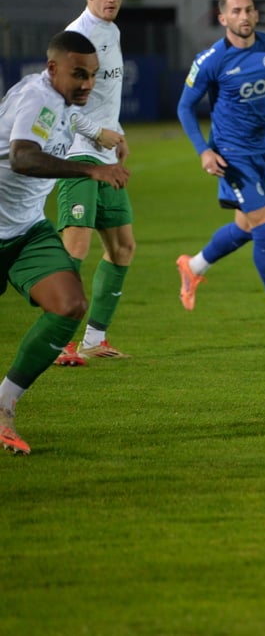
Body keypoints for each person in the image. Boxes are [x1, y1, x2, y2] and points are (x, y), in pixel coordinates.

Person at [0, 31, 130, 454]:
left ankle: (4, 405)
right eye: (79, 74)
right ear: (53, 68)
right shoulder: (36, 98)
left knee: (70, 306)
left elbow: (71, 121)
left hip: (25, 231)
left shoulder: (60, 101)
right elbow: (22, 156)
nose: (88, 84)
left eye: (92, 75)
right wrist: (90, 171)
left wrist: (101, 135)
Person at [176, 0, 265, 327]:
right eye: (236, 11)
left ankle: (192, 267)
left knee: (244, 228)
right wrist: (204, 151)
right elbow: (185, 107)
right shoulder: (211, 60)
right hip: (231, 155)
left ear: (256, 14)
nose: (244, 17)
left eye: (249, 10)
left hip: (263, 151)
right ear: (223, 18)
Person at [53, 0, 134, 366]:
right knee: (75, 248)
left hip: (106, 153)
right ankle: (59, 343)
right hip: (77, 155)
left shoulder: (112, 31)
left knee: (122, 248)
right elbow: (61, 103)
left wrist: (116, 135)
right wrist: (97, 133)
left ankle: (93, 338)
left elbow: (103, 100)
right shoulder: (76, 36)